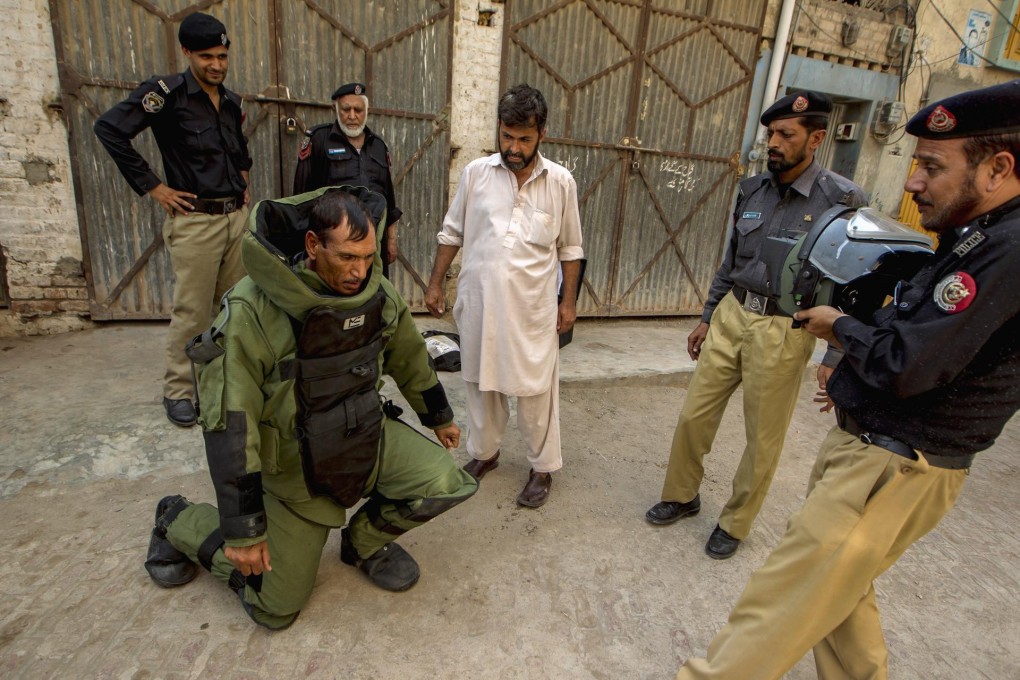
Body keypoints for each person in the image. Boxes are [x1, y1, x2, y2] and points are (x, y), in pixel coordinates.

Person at [674, 79, 1020, 679]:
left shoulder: (1003, 251)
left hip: (893, 463)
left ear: (997, 169)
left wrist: (840, 336)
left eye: (932, 167)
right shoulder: (972, 240)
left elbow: (907, 359)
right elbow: (900, 311)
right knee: (843, 598)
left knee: (777, 607)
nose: (912, 183)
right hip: (871, 448)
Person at [142, 188, 478, 629]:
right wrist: (244, 530)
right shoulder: (251, 309)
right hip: (295, 468)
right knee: (275, 609)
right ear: (313, 246)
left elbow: (409, 355)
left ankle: (362, 542)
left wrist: (440, 417)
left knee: (447, 482)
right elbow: (231, 424)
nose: (361, 271)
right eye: (346, 258)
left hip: (364, 436)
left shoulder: (375, 292)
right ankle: (177, 519)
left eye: (367, 255)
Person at [644, 90, 866, 559]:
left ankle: (736, 521)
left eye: (787, 135)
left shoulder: (843, 200)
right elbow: (730, 261)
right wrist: (708, 316)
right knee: (694, 416)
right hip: (732, 315)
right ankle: (682, 496)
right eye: (771, 134)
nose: (774, 144)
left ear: (817, 139)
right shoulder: (752, 189)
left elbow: (854, 286)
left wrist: (837, 353)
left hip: (785, 331)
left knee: (762, 438)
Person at [424, 84, 583, 508]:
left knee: (535, 392)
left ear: (541, 134)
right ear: (499, 129)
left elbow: (570, 249)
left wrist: (567, 303)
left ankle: (542, 467)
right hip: (479, 304)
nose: (513, 147)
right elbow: (452, 231)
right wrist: (436, 281)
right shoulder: (477, 173)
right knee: (480, 383)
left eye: (524, 139)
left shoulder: (560, 182)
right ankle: (485, 454)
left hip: (532, 311)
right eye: (507, 136)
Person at [94, 12, 252, 428]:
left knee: (233, 307)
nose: (216, 65)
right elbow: (109, 128)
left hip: (236, 218)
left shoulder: (232, 101)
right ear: (186, 52)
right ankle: (180, 390)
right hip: (196, 221)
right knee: (192, 310)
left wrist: (244, 184)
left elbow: (239, 150)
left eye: (222, 56)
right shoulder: (166, 94)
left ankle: (223, 379)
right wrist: (153, 187)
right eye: (206, 57)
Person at [293, 82, 403, 278]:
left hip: (374, 244)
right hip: (336, 246)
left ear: (366, 111)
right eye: (346, 109)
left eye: (358, 110)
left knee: (376, 296)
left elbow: (389, 199)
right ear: (337, 109)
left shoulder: (379, 146)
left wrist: (391, 240)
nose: (352, 116)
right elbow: (301, 198)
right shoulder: (318, 140)